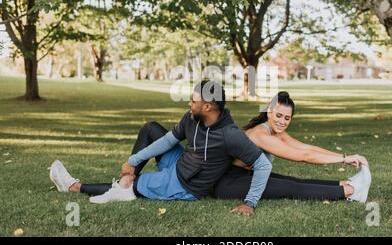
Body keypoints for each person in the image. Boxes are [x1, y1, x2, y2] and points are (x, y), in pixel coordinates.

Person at [49, 80, 272, 216]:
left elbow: (263, 165)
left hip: (187, 185)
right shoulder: (192, 118)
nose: (189, 103)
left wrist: (250, 203)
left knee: (132, 187)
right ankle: (127, 178)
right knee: (151, 128)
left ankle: (73, 187)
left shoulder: (229, 135)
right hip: (181, 164)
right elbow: (168, 140)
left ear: (207, 106)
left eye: (192, 100)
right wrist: (134, 161)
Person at [213, 91, 372, 203]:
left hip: (246, 175)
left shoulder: (275, 130)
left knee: (294, 180)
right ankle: (351, 192)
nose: (282, 121)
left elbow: (306, 148)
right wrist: (343, 160)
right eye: (279, 115)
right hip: (228, 183)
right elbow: (305, 157)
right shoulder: (260, 135)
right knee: (291, 187)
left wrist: (344, 157)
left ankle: (344, 183)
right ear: (269, 112)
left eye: (287, 118)